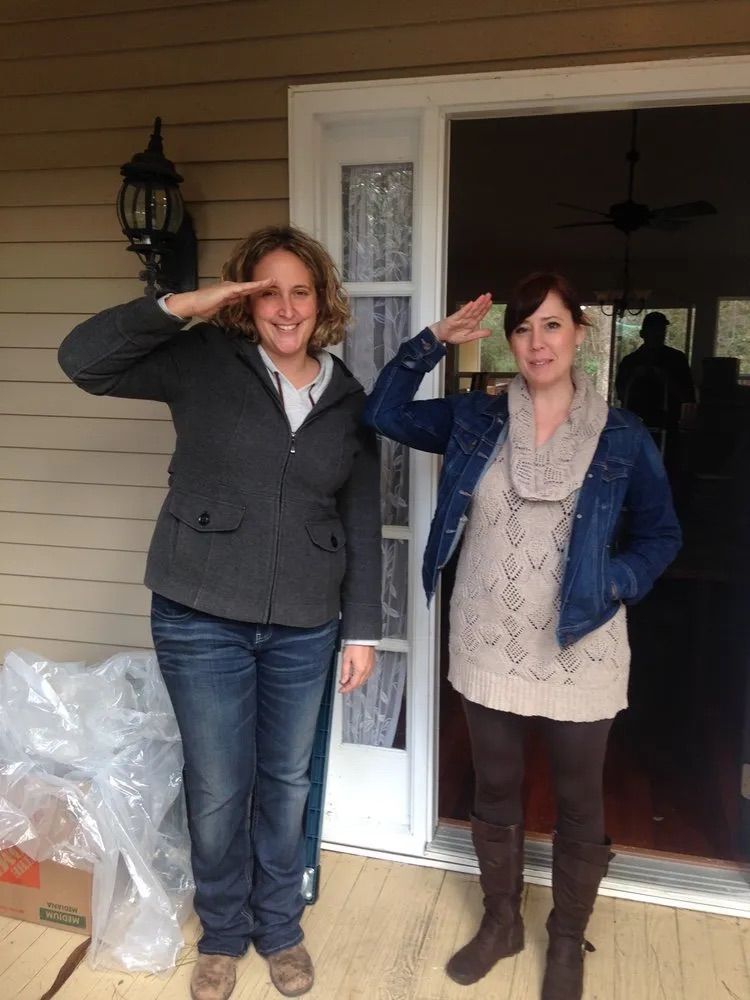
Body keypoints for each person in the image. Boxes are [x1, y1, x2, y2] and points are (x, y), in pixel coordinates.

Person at [58, 226, 382, 1000]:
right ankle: (225, 933)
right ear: (244, 298)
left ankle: (280, 928)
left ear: (322, 300)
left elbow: (363, 517)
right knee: (216, 786)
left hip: (307, 619)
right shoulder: (204, 361)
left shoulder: (347, 397)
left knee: (287, 781)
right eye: (268, 290)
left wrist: (362, 627)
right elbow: (82, 361)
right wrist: (176, 306)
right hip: (200, 611)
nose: (286, 307)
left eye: (300, 290)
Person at [362, 273, 681, 1000]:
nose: (537, 342)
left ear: (579, 333)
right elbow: (381, 413)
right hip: (486, 632)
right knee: (496, 786)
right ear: (509, 341)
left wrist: (618, 581)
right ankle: (501, 922)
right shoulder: (476, 419)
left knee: (578, 798)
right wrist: (428, 344)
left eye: (552, 326)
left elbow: (662, 533)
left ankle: (565, 938)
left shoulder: (624, 437)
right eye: (524, 329)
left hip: (582, 642)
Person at [615, 310, 695, 430]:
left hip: (667, 427)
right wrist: (634, 378)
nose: (658, 335)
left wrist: (666, 380)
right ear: (643, 334)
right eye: (653, 331)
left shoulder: (676, 359)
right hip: (637, 425)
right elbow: (621, 394)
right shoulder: (630, 362)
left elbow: (688, 395)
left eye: (661, 331)